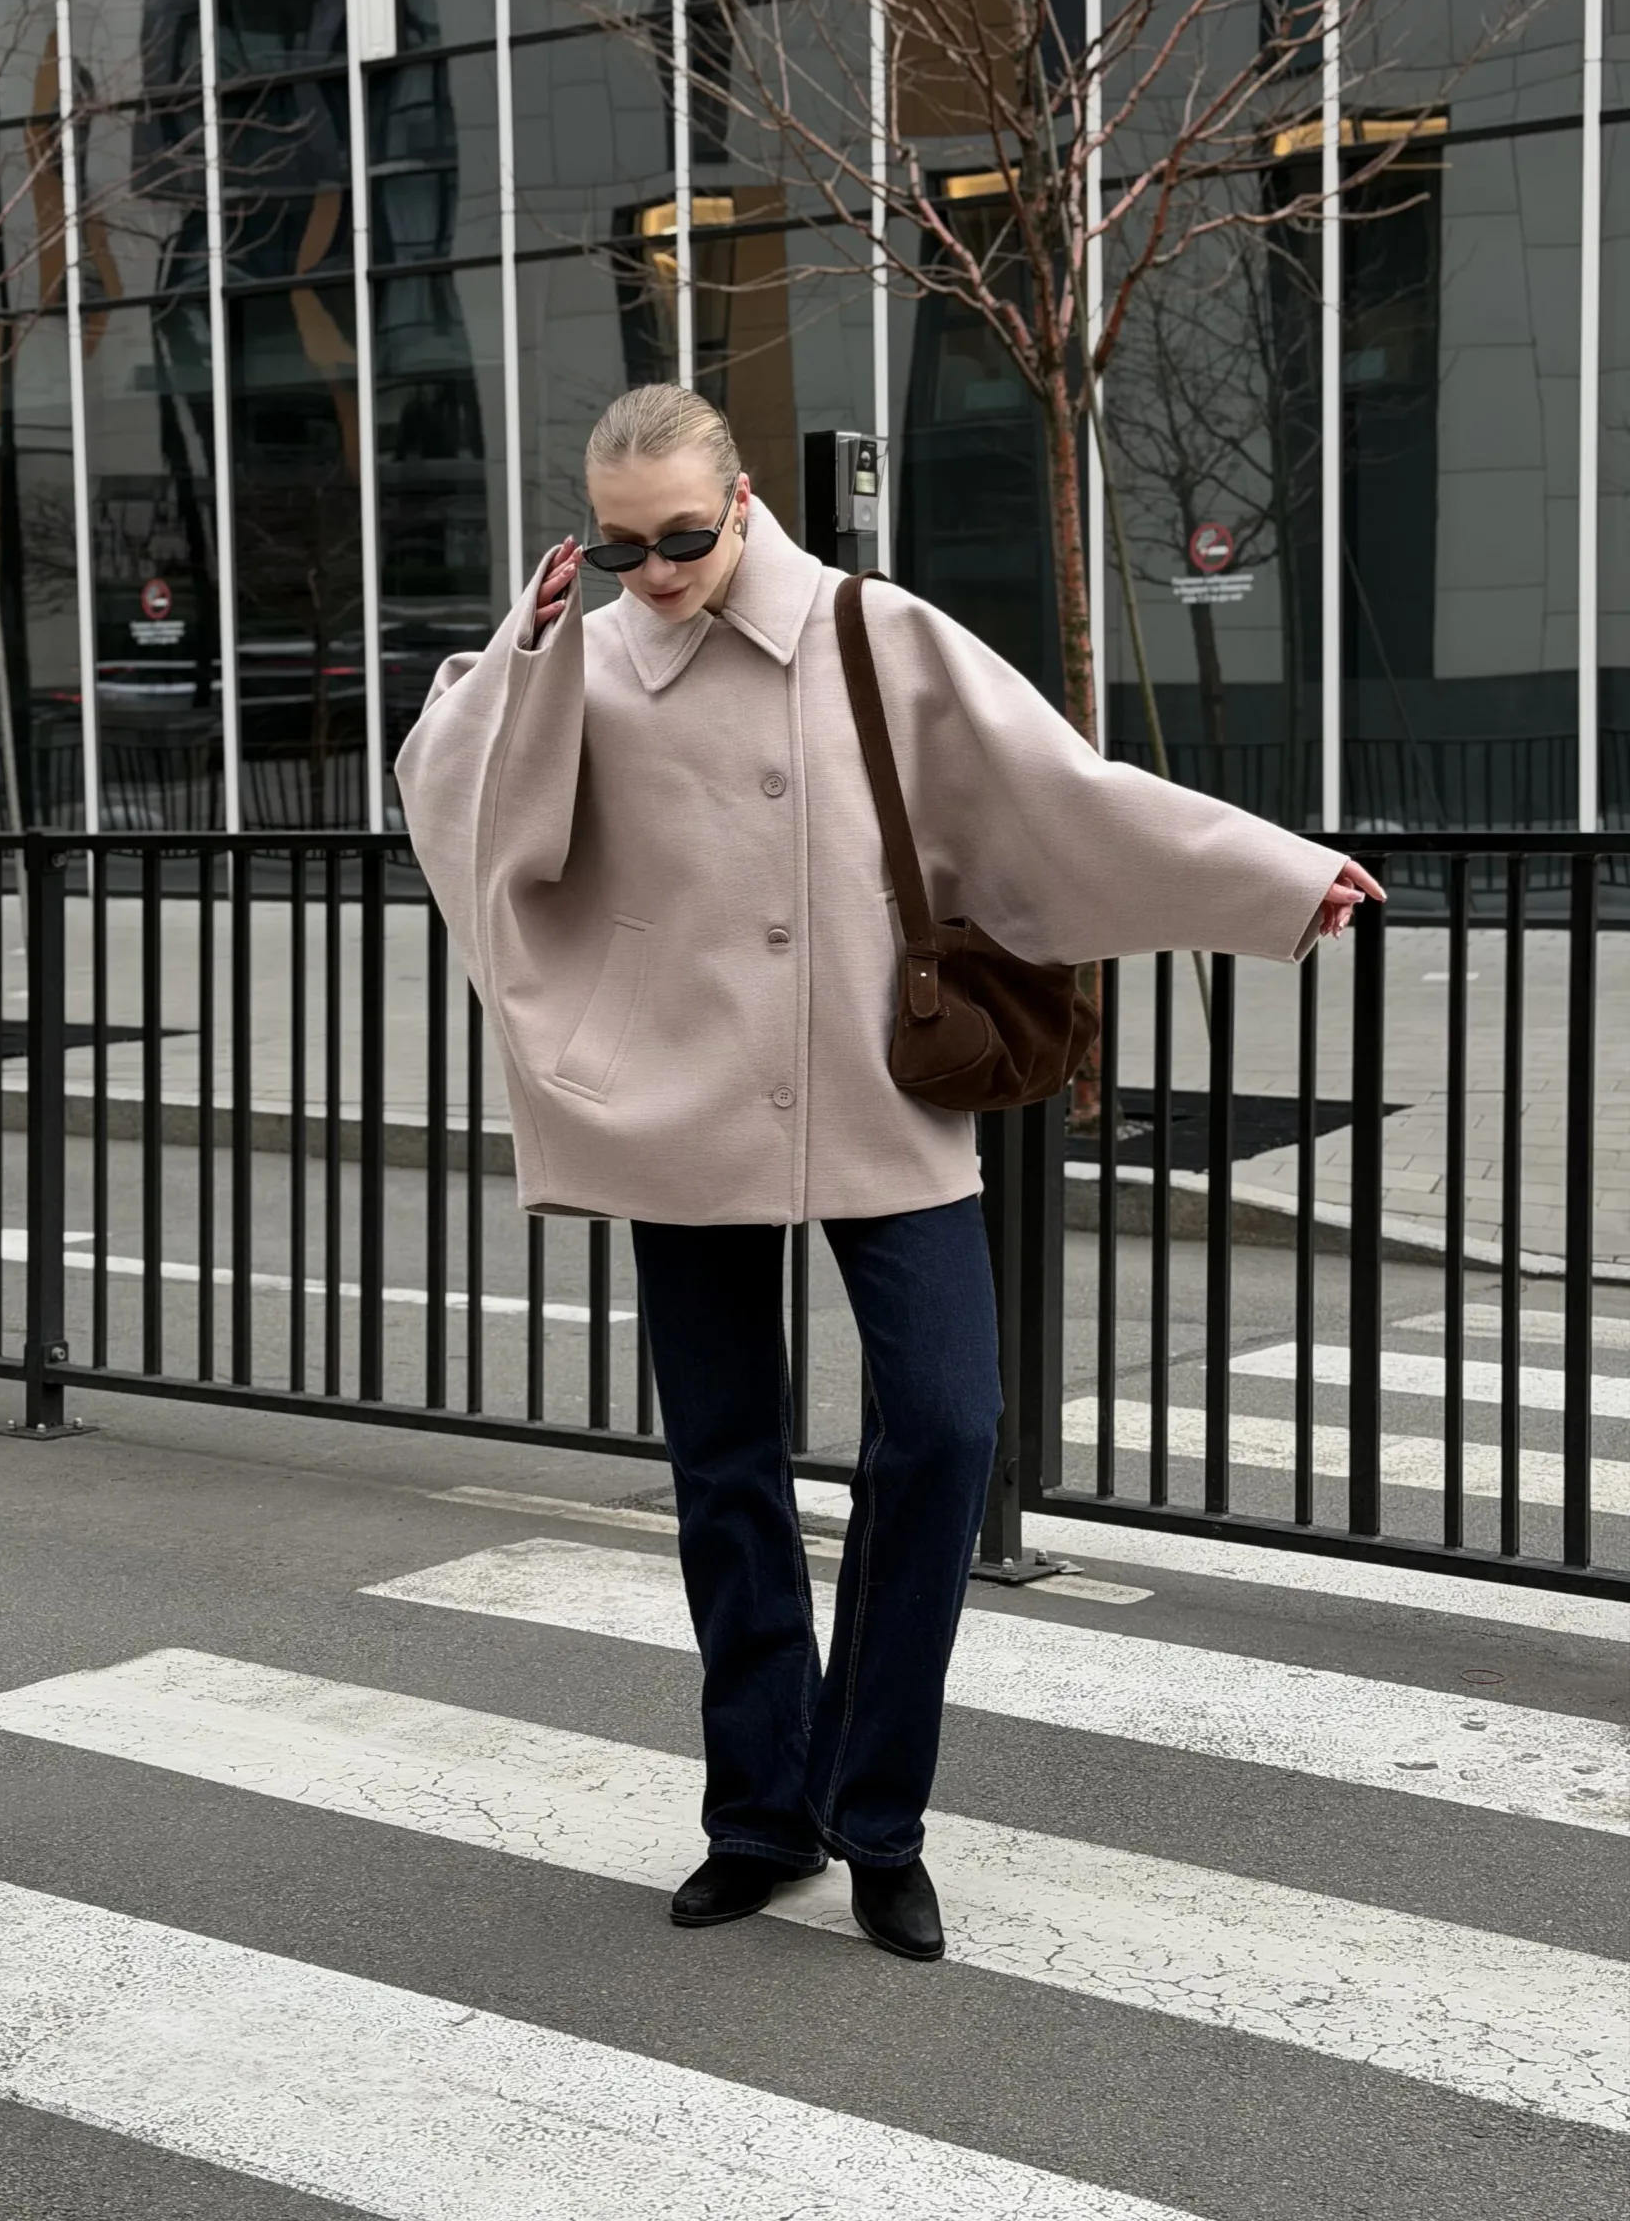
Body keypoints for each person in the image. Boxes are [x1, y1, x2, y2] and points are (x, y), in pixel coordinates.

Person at [395, 383, 1381, 1964]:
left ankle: (875, 1812)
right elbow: (456, 806)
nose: (656, 573)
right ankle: (758, 1815)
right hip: (676, 1098)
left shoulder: (868, 630)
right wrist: (528, 642)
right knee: (725, 1466)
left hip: (872, 1089)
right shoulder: (584, 652)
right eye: (621, 545)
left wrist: (1272, 879)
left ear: (743, 506)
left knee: (947, 1423)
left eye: (682, 538)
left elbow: (1052, 793)